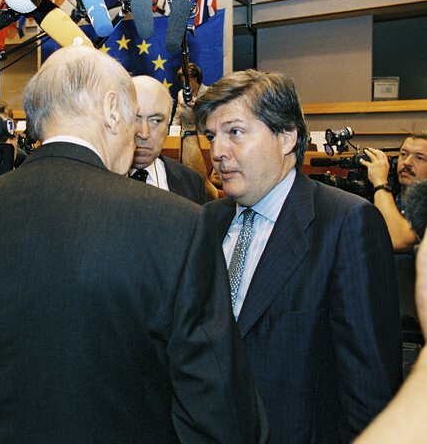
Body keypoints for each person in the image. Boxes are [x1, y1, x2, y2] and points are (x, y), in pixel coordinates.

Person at [0, 46, 268, 443]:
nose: (137, 136)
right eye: (133, 120)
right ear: (113, 111)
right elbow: (220, 411)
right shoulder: (176, 225)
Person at [194, 69, 401, 443]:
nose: (218, 151)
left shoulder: (345, 223)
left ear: (286, 136)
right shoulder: (207, 221)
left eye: (234, 132)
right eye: (212, 136)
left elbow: (369, 387)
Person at [361, 133, 427, 374]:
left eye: (420, 158)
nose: (407, 162)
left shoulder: (421, 209)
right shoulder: (387, 201)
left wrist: (379, 183)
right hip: (371, 331)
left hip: (407, 339)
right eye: (403, 154)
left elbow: (399, 239)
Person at [130, 75, 211, 203]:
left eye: (156, 121)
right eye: (134, 119)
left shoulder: (191, 184)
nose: (144, 133)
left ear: (168, 124)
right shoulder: (92, 180)